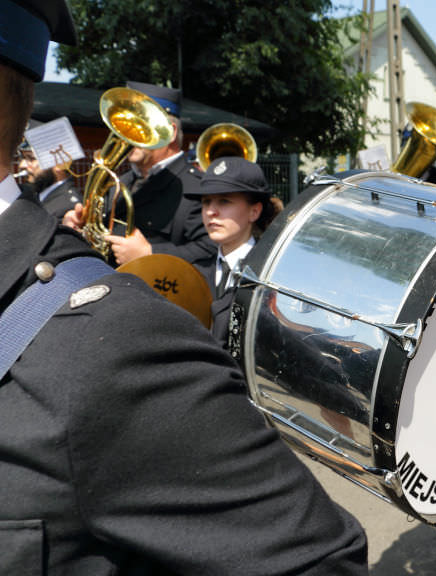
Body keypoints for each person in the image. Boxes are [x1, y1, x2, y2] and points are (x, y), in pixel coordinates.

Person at [0, 2, 368, 574]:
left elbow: (199, 252)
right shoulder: (125, 180)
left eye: (226, 203)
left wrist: (148, 258)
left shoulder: (123, 348)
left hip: (154, 306)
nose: (214, 208)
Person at [64, 82, 216, 266]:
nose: (126, 134)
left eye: (140, 126)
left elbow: (210, 248)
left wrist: (151, 255)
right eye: (125, 124)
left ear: (171, 132)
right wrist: (81, 228)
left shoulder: (196, 185)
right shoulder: (119, 182)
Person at [185, 156, 283, 349]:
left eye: (224, 201)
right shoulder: (194, 272)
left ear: (254, 212)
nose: (211, 211)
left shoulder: (271, 273)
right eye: (206, 202)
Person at [16, 133, 82, 218]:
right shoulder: (42, 196)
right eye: (23, 158)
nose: (22, 165)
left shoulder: (67, 207)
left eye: (31, 158)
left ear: (60, 163)